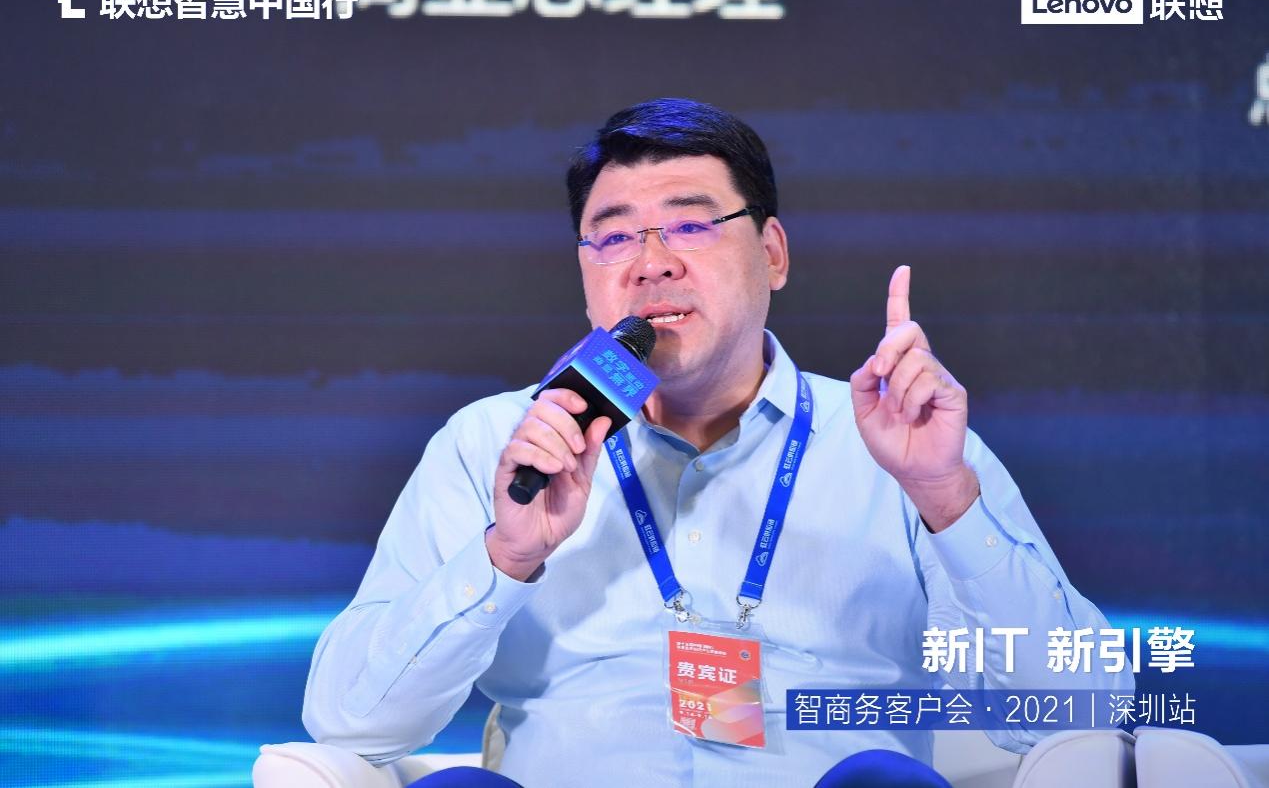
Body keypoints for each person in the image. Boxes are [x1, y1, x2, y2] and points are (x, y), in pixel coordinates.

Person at [302, 98, 1131, 787]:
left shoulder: (906, 444)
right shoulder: (497, 445)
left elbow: (1083, 713)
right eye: (614, 236)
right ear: (585, 272)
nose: (650, 263)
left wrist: (946, 498)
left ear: (771, 253)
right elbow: (349, 722)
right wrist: (506, 555)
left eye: (690, 227)